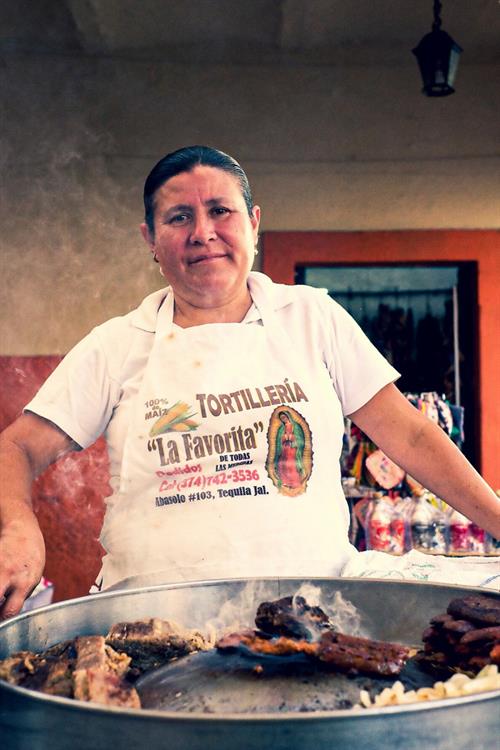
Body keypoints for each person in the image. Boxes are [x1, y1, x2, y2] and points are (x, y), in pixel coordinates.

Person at [0, 145, 499, 620]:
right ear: (151, 239)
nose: (203, 232)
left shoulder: (311, 317)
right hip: (152, 619)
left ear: (254, 224)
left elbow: (410, 435)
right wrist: (19, 527)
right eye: (178, 217)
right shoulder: (117, 345)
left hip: (317, 611)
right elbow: (17, 448)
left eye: (221, 211)